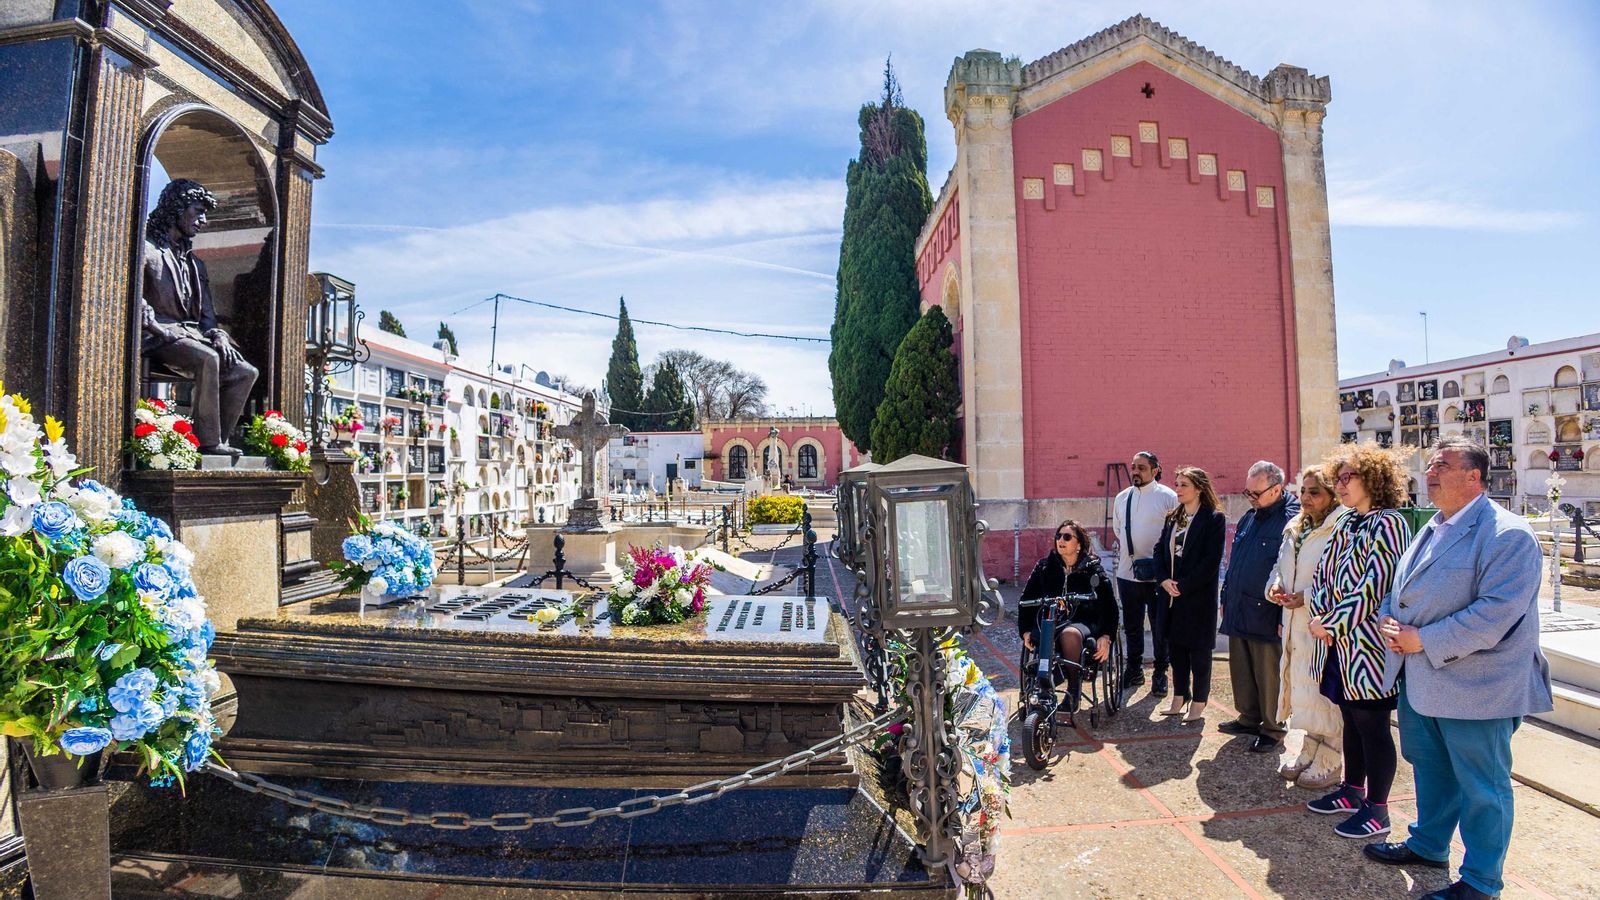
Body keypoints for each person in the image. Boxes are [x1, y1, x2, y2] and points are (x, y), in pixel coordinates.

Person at [1364, 438, 1551, 900]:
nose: (1430, 472)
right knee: (1431, 770)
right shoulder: (1433, 527)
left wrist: (1423, 638)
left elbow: (1495, 613)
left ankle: (1482, 882)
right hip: (1423, 680)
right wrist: (1388, 617)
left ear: (1474, 476)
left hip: (1477, 687)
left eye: (1442, 465)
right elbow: (1399, 589)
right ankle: (1429, 844)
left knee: (1483, 788)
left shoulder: (1507, 534)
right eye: (1430, 464)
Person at [1304, 443, 1412, 840]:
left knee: (1372, 724)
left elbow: (1375, 585)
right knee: (1349, 719)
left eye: (1349, 477)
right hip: (1337, 644)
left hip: (1367, 647)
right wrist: (1319, 615)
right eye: (1339, 477)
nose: (1341, 484)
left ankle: (1378, 810)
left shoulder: (1390, 523)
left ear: (1373, 479)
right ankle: (1352, 791)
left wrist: (1331, 623)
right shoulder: (1346, 521)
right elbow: (1322, 574)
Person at [138, 179, 258, 456]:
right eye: (198, 212)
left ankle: (219, 440)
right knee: (208, 358)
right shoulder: (146, 248)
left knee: (245, 372)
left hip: (189, 334)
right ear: (177, 208)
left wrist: (218, 334)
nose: (203, 220)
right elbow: (131, 295)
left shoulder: (195, 264)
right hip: (155, 334)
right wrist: (156, 326)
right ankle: (207, 443)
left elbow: (207, 318)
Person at [1267, 466, 1350, 788]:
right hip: (1294, 622)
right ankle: (1309, 746)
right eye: (1303, 490)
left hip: (1323, 623)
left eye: (1314, 492)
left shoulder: (1341, 526)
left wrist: (1307, 596)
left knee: (1323, 689)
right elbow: (1281, 565)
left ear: (1332, 495)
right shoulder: (1296, 526)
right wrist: (1276, 585)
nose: (1305, 497)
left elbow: (1345, 578)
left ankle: (1332, 755)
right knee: (1303, 686)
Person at [1219, 461, 1300, 753]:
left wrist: (1282, 614)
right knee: (1241, 668)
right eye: (1248, 492)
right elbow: (1236, 561)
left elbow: (1290, 571)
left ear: (1276, 489)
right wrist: (1226, 597)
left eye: (1256, 493)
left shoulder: (1291, 520)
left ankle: (1273, 727)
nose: (1250, 498)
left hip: (1267, 610)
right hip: (1239, 605)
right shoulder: (1250, 517)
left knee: (1269, 674)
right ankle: (1249, 717)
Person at [1017, 520, 1119, 713]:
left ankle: (1073, 690)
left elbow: (1110, 606)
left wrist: (1107, 636)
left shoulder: (1092, 569)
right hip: (1052, 621)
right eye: (1058, 536)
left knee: (1069, 634)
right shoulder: (1045, 567)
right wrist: (1025, 630)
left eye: (1067, 537)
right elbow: (1026, 600)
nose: (1060, 540)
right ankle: (1042, 685)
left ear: (1079, 544)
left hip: (1083, 622)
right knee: (1044, 633)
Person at [1153, 467, 1226, 723]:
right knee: (1177, 651)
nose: (1178, 489)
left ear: (1198, 488)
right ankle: (1180, 696)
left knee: (1199, 653)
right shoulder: (1173, 517)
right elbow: (1159, 550)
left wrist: (1183, 585)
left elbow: (1210, 561)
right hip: (1171, 596)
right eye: (1177, 484)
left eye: (1184, 485)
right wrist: (1163, 579)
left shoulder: (1214, 519)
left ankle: (1199, 700)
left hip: (1197, 598)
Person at [1111, 451, 1180, 695]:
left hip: (1159, 576)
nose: (1136, 472)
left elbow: (1177, 533)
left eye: (1141, 467)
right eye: (1134, 467)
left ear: (1155, 470)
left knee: (1160, 626)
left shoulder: (1169, 497)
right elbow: (1118, 529)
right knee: (1132, 625)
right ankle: (1134, 669)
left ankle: (1160, 673)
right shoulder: (1122, 498)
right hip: (1128, 572)